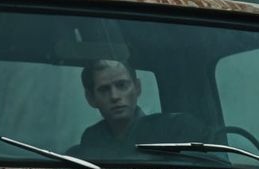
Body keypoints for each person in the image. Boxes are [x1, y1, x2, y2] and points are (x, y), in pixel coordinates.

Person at [67, 59, 204, 159]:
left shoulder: (173, 129)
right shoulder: (92, 140)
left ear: (137, 88)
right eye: (104, 89)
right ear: (91, 98)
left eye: (122, 85)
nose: (115, 96)